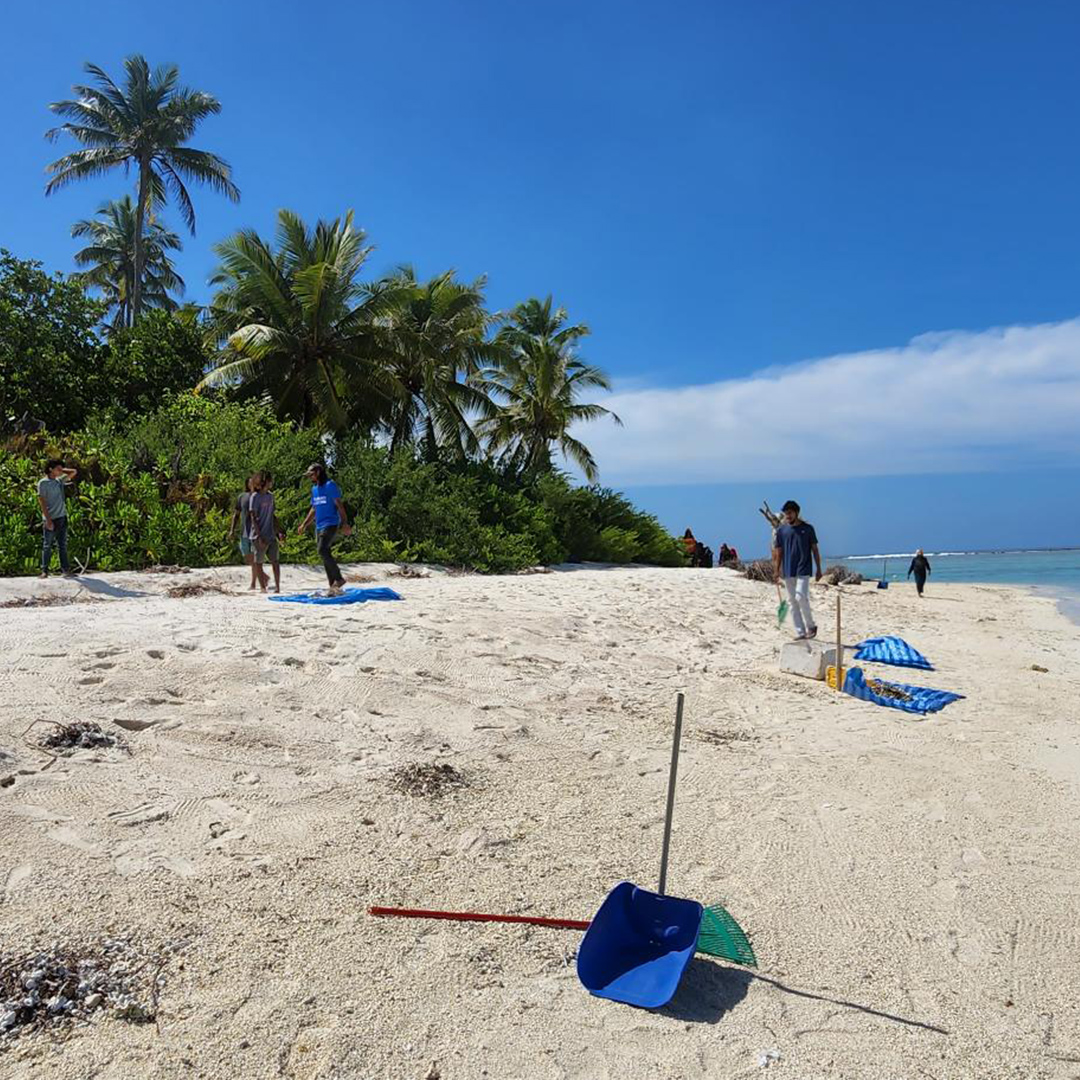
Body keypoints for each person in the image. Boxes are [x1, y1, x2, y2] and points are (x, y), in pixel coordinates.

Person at [772, 499, 822, 640]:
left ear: (796, 513)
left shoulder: (808, 529)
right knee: (792, 602)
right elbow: (778, 552)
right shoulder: (781, 531)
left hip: (803, 569)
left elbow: (815, 550)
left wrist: (818, 569)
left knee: (800, 597)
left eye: (790, 513)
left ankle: (811, 626)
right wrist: (776, 570)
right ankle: (800, 632)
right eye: (785, 513)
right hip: (788, 570)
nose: (787, 516)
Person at [297, 463, 352, 589]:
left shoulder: (330, 485)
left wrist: (344, 522)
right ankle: (333, 585)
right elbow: (314, 508)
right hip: (319, 525)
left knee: (322, 549)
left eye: (311, 475)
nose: (310, 477)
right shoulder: (314, 489)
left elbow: (339, 505)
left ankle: (338, 578)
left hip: (331, 523)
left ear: (318, 472)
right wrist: (304, 524)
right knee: (324, 553)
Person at [37, 459, 78, 578]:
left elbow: (73, 472)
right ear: (50, 469)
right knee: (47, 545)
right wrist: (48, 520)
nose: (60, 472)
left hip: (62, 517)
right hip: (50, 518)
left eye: (61, 469)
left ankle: (65, 570)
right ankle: (44, 570)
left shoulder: (59, 481)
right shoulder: (43, 483)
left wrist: (61, 469)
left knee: (62, 545)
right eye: (58, 469)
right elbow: (42, 502)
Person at [250, 472, 285, 593]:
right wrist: (259, 537)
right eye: (270, 480)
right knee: (259, 561)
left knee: (275, 560)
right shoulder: (255, 497)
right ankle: (262, 588)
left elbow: (273, 515)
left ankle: (277, 587)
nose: (272, 482)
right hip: (258, 535)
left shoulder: (271, 496)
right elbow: (253, 517)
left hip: (270, 534)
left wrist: (279, 530)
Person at [228, 476, 260, 590]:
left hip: (257, 532)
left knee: (255, 556)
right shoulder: (242, 497)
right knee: (247, 557)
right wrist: (232, 530)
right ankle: (262, 576)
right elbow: (236, 514)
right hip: (244, 531)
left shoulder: (260, 496)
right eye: (250, 482)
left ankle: (253, 583)